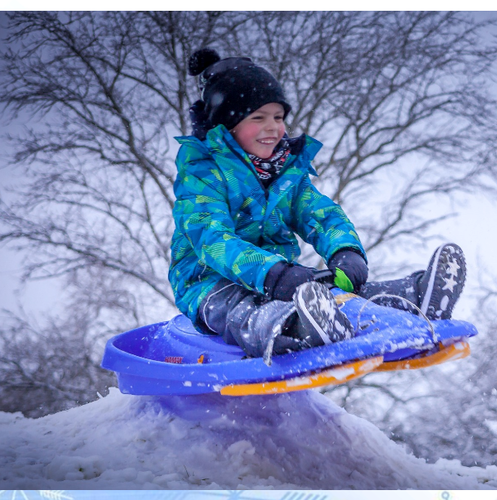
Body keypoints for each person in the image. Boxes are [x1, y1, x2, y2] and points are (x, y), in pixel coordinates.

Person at [169, 48, 466, 361]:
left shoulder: (284, 172)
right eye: (258, 118)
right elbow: (212, 240)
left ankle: (414, 298)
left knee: (333, 293)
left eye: (278, 117)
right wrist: (273, 274)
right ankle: (294, 329)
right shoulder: (202, 173)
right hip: (209, 283)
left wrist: (345, 252)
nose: (273, 127)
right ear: (227, 127)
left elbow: (321, 215)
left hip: (278, 278)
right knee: (241, 309)